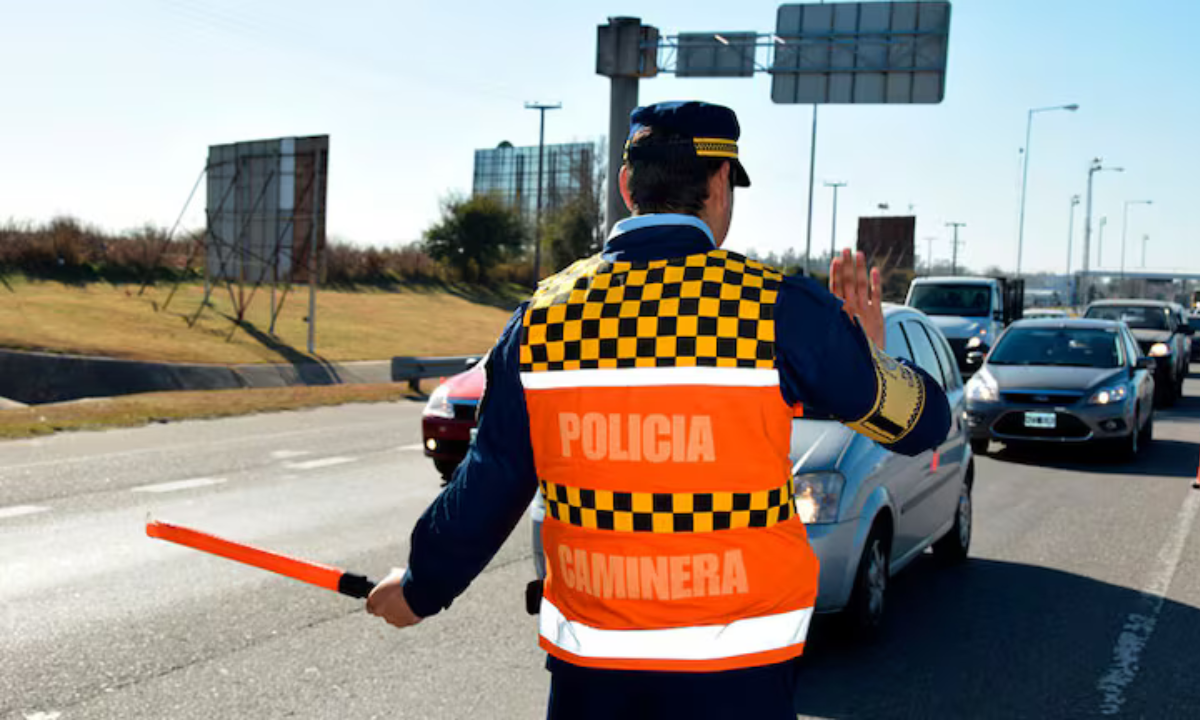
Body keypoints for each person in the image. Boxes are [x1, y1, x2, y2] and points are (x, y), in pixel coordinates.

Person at [366, 100, 951, 719]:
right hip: (737, 677)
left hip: (593, 676)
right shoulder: (775, 308)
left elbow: (492, 477)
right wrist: (871, 355)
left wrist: (420, 587)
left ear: (627, 187)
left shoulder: (541, 316)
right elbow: (923, 424)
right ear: (721, 183)